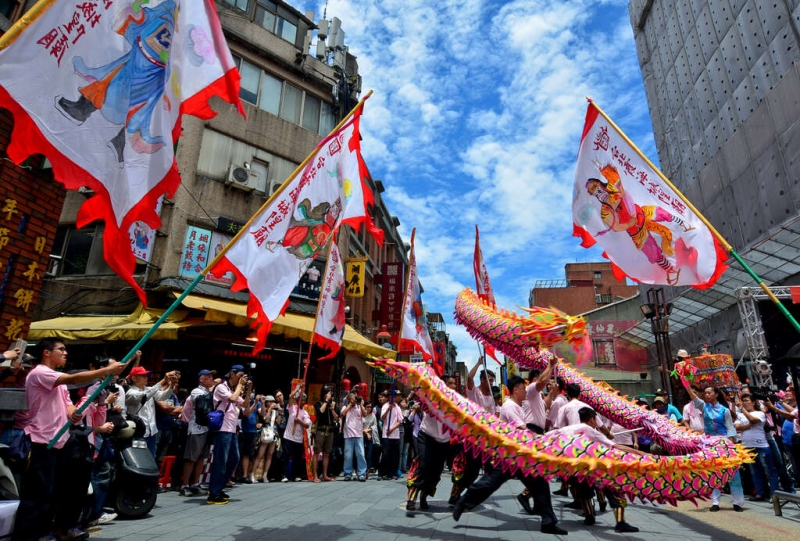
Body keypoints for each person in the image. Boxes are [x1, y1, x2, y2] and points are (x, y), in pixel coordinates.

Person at [12, 339, 124, 541]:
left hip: (58, 442)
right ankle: (30, 536)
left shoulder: (56, 379)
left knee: (53, 493)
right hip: (40, 442)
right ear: (47, 352)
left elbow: (66, 404)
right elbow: (74, 380)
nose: (65, 353)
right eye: (61, 349)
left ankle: (47, 532)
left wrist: (73, 413)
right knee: (37, 495)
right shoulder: (40, 373)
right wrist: (105, 371)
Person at [453, 376, 567, 535]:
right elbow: (522, 431)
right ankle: (463, 502)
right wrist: (545, 441)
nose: (525, 393)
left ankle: (548, 522)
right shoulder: (509, 406)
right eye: (523, 389)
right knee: (488, 483)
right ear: (516, 390)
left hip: (520, 457)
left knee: (541, 484)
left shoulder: (517, 406)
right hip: (507, 457)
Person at [556, 407, 643, 532]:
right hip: (596, 468)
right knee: (614, 492)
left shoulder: (567, 429)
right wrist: (641, 454)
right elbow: (615, 445)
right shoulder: (590, 430)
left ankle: (589, 516)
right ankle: (620, 522)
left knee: (584, 492)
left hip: (575, 468)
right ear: (592, 419)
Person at [683, 382, 745, 512]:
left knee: (732, 472)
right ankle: (715, 502)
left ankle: (737, 502)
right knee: (713, 472)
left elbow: (730, 427)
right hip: (709, 442)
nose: (707, 395)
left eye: (709, 392)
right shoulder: (704, 407)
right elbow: (693, 395)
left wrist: (731, 444)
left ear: (716, 394)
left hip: (724, 442)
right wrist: (685, 383)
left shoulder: (725, 410)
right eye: (705, 393)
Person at [406, 375, 456, 513]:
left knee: (436, 471)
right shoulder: (431, 396)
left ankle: (424, 496)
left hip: (444, 440)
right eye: (451, 383)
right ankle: (412, 498)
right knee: (423, 464)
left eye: (454, 383)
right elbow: (420, 397)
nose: (454, 386)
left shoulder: (456, 401)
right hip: (427, 435)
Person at [207, 365, 247, 505]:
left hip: (232, 430)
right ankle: (213, 493)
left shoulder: (232, 389)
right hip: (222, 429)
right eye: (240, 375)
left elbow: (246, 405)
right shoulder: (222, 387)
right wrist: (240, 387)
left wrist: (247, 391)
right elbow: (232, 399)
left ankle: (219, 487)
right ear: (232, 374)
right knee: (220, 461)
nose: (242, 378)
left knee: (234, 459)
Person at [125, 365, 177, 457]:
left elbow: (163, 396)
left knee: (151, 459)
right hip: (138, 434)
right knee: (139, 460)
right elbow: (145, 395)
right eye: (143, 375)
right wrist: (163, 380)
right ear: (134, 378)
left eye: (146, 375)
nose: (146, 377)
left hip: (152, 432)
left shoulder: (149, 389)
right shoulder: (130, 393)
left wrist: (172, 385)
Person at [179, 369, 215, 497]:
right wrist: (211, 392)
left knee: (201, 458)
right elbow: (202, 403)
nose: (211, 379)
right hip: (195, 428)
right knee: (191, 458)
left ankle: (195, 483)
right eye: (209, 377)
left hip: (206, 429)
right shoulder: (196, 391)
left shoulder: (208, 391)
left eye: (212, 377)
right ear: (201, 379)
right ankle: (185, 485)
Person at [735, 394, 779, 500]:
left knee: (769, 470)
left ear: (753, 402)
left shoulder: (760, 413)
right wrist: (750, 425)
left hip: (761, 446)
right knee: (755, 472)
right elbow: (737, 427)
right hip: (747, 447)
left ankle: (775, 494)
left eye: (747, 400)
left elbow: (754, 420)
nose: (744, 403)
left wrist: (742, 410)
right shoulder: (740, 415)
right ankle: (760, 493)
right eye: (743, 401)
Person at [313, 386, 339, 482]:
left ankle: (325, 474)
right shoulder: (318, 404)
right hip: (320, 430)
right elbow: (321, 411)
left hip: (330, 430)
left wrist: (332, 409)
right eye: (327, 393)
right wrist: (326, 401)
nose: (329, 395)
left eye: (330, 393)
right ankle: (315, 475)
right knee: (316, 452)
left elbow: (337, 418)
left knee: (327, 453)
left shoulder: (333, 405)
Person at [284, 386, 311, 482]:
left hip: (298, 438)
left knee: (297, 458)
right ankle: (284, 475)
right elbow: (290, 396)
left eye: (304, 400)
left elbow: (307, 425)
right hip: (288, 436)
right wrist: (298, 389)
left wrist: (299, 421)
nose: (302, 402)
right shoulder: (292, 408)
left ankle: (294, 475)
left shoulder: (305, 413)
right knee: (286, 456)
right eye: (301, 400)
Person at [340, 391, 368, 481]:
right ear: (348, 399)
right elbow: (343, 414)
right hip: (348, 434)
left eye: (354, 397)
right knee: (348, 455)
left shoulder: (359, 406)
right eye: (351, 398)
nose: (353, 399)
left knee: (361, 454)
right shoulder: (345, 406)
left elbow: (365, 414)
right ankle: (348, 473)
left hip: (358, 434)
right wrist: (350, 404)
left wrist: (360, 404)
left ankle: (361, 474)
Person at [254, 395, 281, 482]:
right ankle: (252, 474)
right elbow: (265, 420)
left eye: (273, 401)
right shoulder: (263, 409)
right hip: (265, 433)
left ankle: (265, 474)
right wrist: (269, 410)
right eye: (270, 401)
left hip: (273, 433)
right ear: (267, 402)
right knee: (260, 454)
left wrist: (280, 412)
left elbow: (279, 422)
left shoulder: (275, 411)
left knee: (270, 455)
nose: (273, 403)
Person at [237, 391, 262, 483]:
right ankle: (232, 476)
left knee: (247, 454)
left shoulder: (258, 403)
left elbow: (262, 413)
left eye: (253, 391)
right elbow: (246, 413)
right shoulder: (242, 401)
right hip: (241, 430)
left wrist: (261, 403)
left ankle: (244, 476)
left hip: (252, 431)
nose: (252, 393)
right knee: (237, 454)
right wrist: (254, 403)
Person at [379, 390, 403, 480]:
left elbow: (400, 421)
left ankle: (392, 473)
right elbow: (382, 418)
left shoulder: (397, 407)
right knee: (386, 454)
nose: (399, 397)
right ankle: (382, 473)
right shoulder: (385, 406)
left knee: (395, 455)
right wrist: (388, 409)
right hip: (386, 435)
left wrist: (392, 429)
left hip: (395, 434)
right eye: (397, 396)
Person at [362, 400, 379, 476]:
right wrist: (365, 432)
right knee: (362, 453)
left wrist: (367, 430)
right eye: (367, 407)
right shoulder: (361, 414)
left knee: (369, 453)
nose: (369, 408)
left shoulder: (373, 416)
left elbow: (375, 426)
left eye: (370, 407)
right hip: (361, 435)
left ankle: (368, 469)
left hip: (370, 436)